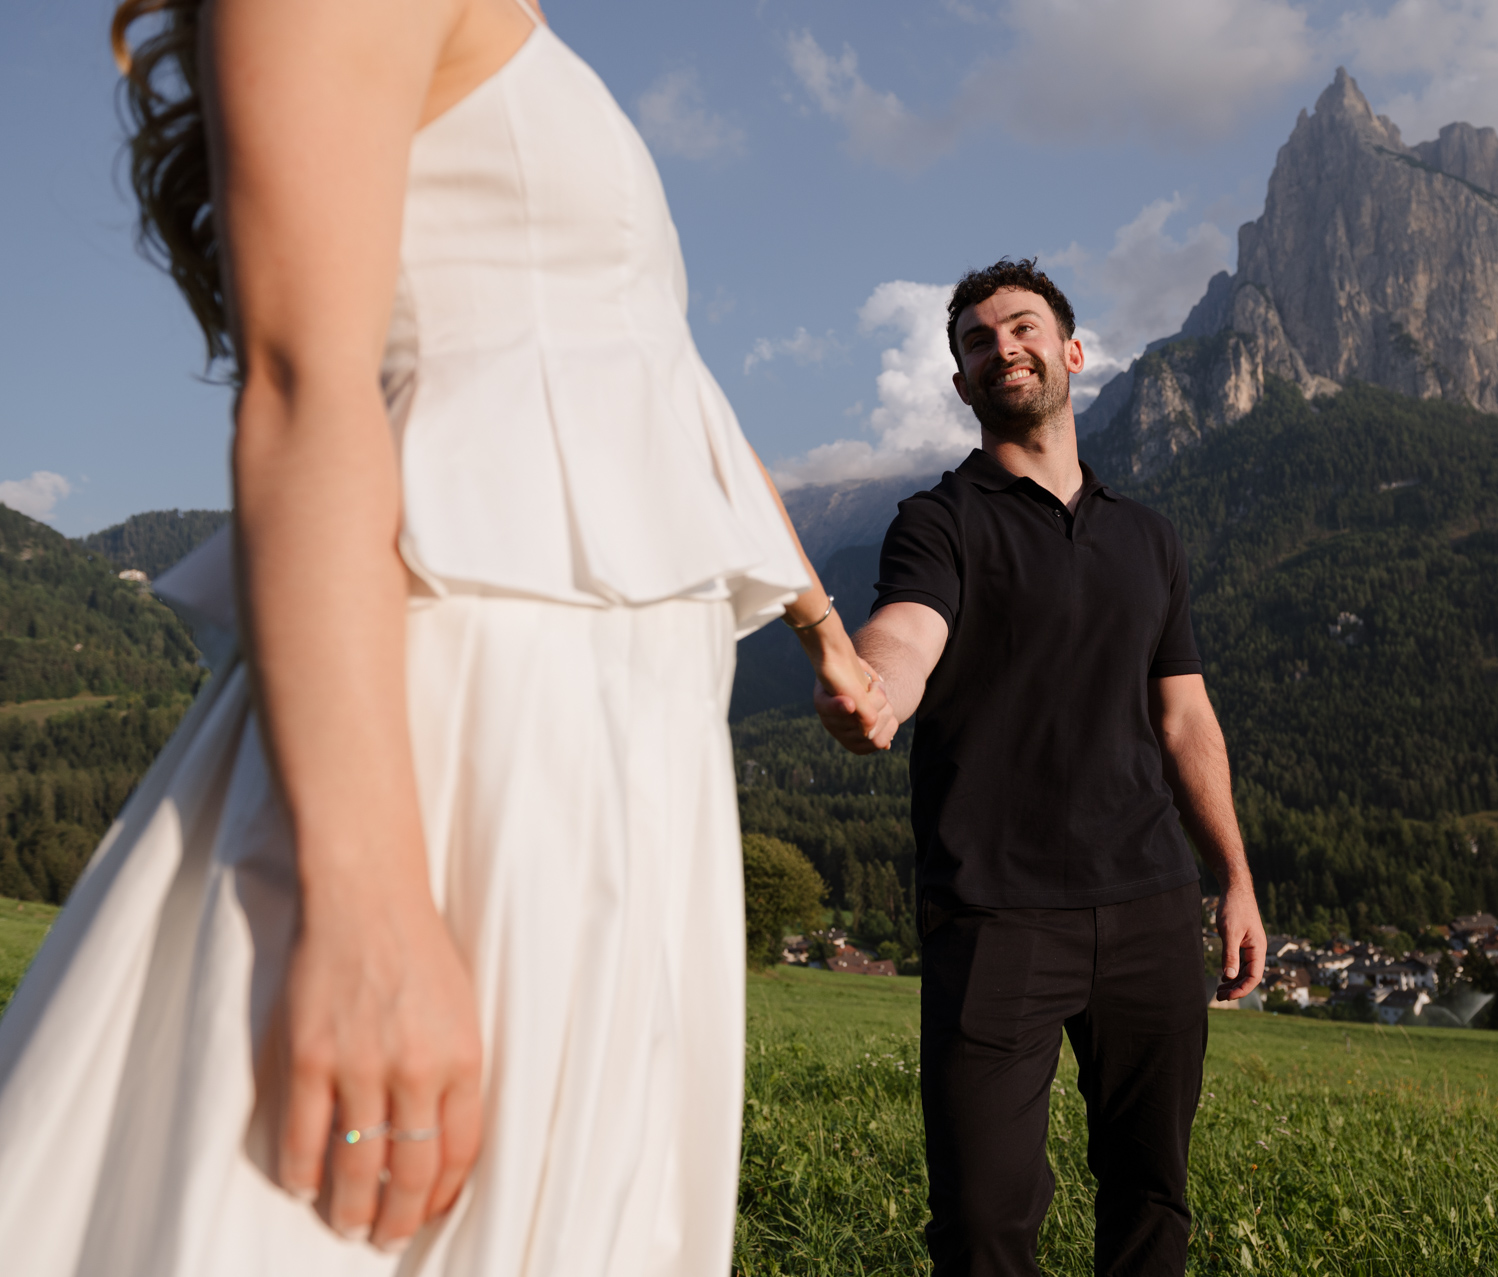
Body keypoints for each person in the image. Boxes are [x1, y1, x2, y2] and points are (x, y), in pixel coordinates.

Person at [0, 1, 886, 1273]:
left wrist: (820, 627)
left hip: (626, 743)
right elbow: (304, 384)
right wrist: (367, 910)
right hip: (476, 730)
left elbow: (666, 382)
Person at [817, 258, 1265, 1276]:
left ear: (1071, 352)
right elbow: (906, 633)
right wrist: (877, 685)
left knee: (1152, 1194)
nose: (999, 345)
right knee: (982, 1221)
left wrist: (1234, 875)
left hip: (1151, 902)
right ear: (963, 385)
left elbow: (1185, 715)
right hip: (994, 911)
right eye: (976, 341)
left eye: (1020, 326)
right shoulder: (938, 522)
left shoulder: (1148, 537)